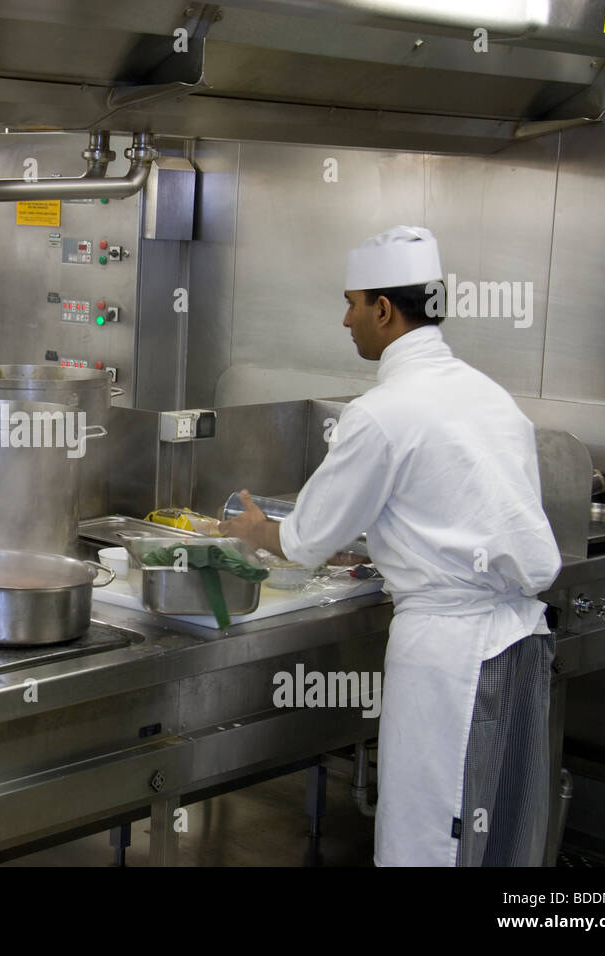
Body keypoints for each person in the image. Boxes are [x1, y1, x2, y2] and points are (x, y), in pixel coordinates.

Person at [219, 226, 561, 866]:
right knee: (503, 839)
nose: (344, 319)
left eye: (352, 302)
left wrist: (252, 530)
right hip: (520, 645)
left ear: (383, 309)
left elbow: (307, 540)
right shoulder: (490, 397)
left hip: (450, 659)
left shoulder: (382, 412)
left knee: (430, 840)